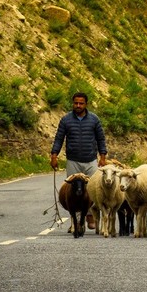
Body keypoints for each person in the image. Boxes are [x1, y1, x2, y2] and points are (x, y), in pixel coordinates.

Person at [51, 92, 108, 230]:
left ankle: (90, 217)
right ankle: (75, 222)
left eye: (81, 103)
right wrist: (54, 156)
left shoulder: (94, 120)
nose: (78, 105)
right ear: (73, 103)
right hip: (73, 160)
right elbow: (59, 138)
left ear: (85, 104)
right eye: (76, 103)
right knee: (72, 190)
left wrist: (103, 157)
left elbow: (101, 139)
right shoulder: (66, 120)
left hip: (90, 160)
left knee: (91, 190)